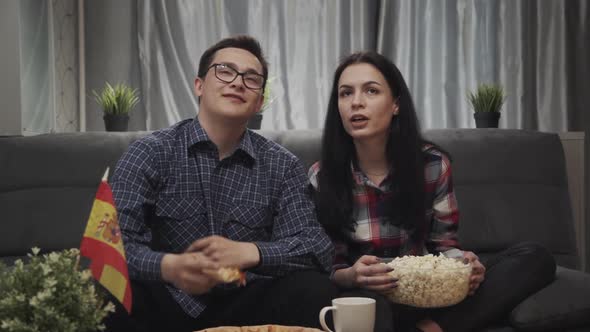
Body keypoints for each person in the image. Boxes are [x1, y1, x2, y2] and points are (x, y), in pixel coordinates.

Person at [308, 51, 556, 332]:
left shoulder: (433, 164)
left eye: (371, 91)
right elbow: (328, 266)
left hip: (428, 293)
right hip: (368, 296)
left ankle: (433, 327)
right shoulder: (322, 176)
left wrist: (464, 266)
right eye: (345, 93)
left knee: (535, 257)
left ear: (396, 105)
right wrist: (353, 276)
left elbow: (444, 246)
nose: (356, 102)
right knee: (365, 309)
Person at [108, 35, 337, 332]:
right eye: (225, 71)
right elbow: (114, 243)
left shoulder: (282, 165)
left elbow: (315, 248)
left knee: (315, 290)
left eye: (251, 78)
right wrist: (171, 267)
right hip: (167, 300)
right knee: (107, 289)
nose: (238, 82)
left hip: (248, 300)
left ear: (259, 101)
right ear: (199, 85)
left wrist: (251, 253)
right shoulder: (150, 152)